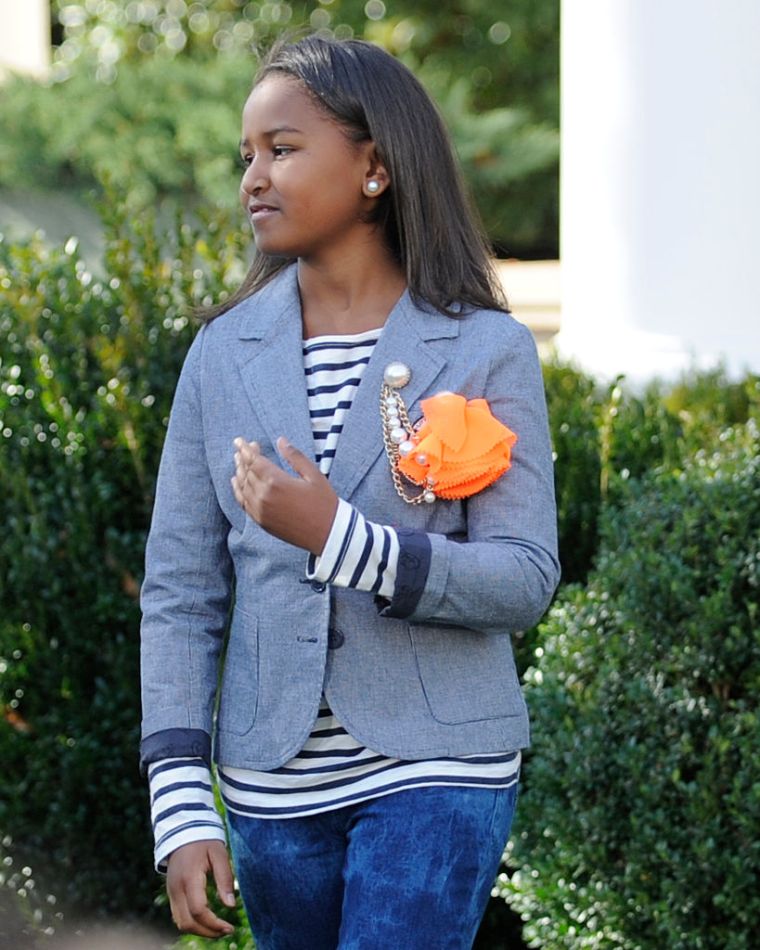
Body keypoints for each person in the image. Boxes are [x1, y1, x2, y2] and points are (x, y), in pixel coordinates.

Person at [139, 33, 560, 950]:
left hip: (439, 767)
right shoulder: (220, 356)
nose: (254, 175)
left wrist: (342, 539)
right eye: (245, 155)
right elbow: (180, 593)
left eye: (283, 149)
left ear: (374, 167)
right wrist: (182, 803)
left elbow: (525, 576)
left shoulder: (487, 348)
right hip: (269, 787)